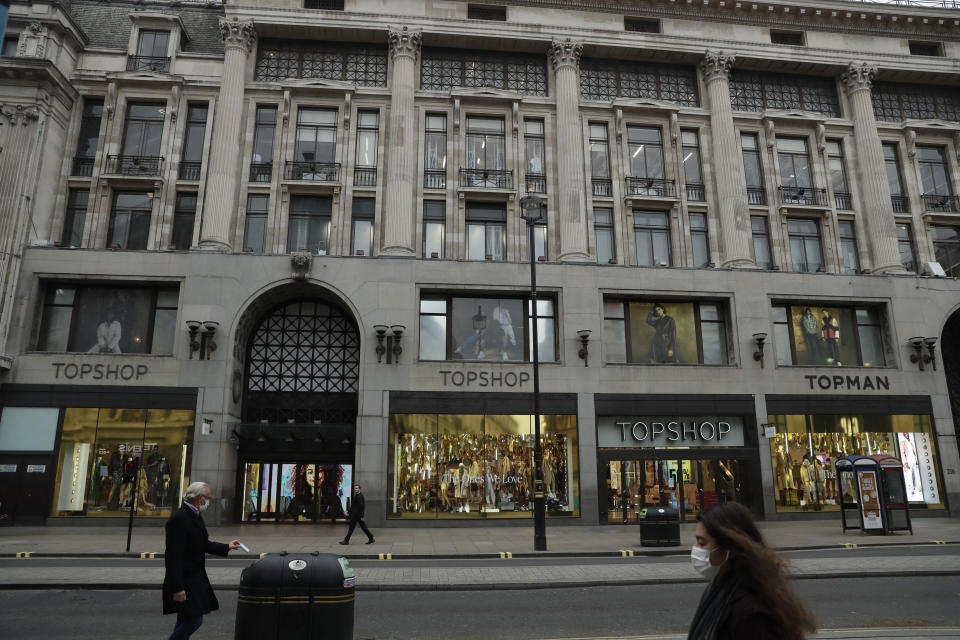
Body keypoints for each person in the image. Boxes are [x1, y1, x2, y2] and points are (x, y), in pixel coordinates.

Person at [687, 503, 817, 640]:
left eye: (702, 544)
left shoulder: (750, 614)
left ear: (729, 548)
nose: (695, 549)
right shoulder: (719, 587)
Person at [163, 481, 242, 640]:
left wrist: (226, 546)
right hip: (185, 579)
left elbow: (202, 543)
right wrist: (177, 588)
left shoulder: (194, 515)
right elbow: (173, 556)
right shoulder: (180, 518)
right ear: (199, 498)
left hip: (195, 577)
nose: (209, 501)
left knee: (186, 618)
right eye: (208, 498)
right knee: (194, 620)